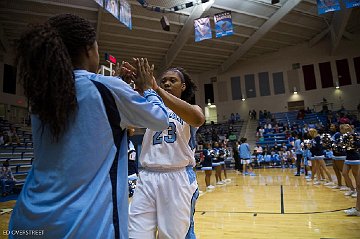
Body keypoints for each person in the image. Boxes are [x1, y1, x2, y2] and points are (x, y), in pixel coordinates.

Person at [9, 14, 169, 239]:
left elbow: (91, 107)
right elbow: (160, 119)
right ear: (88, 49)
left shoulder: (43, 94)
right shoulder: (107, 88)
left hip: (29, 220)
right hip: (83, 224)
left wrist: (115, 84)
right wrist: (146, 88)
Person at [128, 67, 205, 238]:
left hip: (177, 177)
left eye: (172, 80)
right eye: (163, 81)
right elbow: (130, 129)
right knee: (135, 234)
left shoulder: (190, 108)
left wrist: (156, 89)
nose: (167, 83)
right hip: (147, 176)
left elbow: (198, 118)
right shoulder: (151, 107)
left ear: (183, 86)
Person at [127, 128, 138, 198]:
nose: (134, 130)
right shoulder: (121, 143)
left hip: (131, 174)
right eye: (132, 128)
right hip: (124, 174)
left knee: (135, 195)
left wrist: (136, 171)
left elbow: (132, 161)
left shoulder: (130, 142)